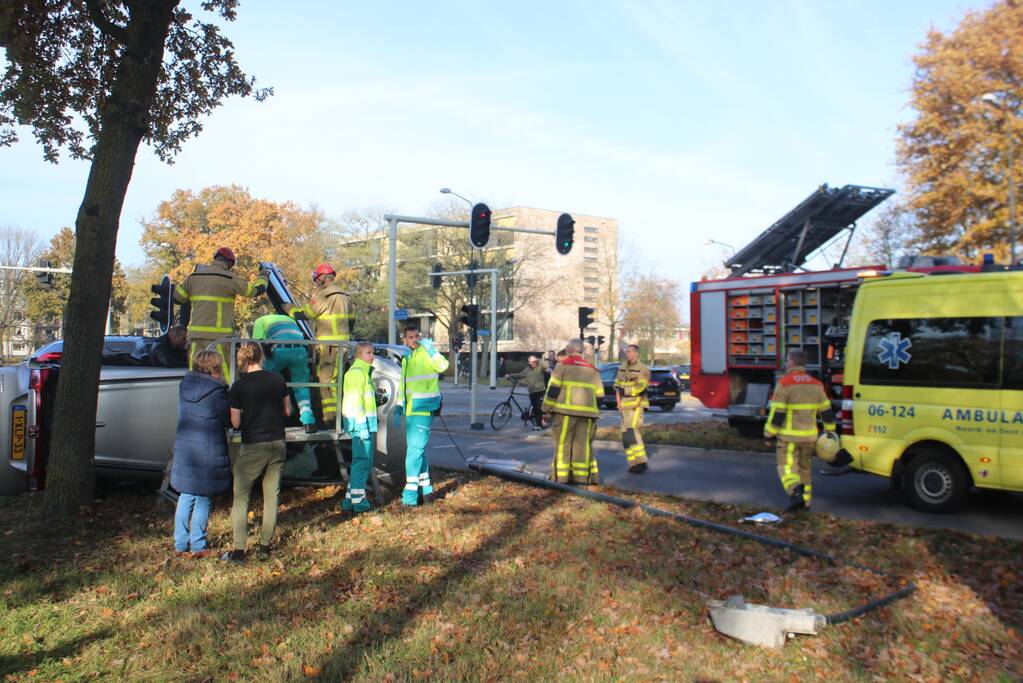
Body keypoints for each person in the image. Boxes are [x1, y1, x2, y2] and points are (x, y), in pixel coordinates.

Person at [222, 343, 291, 563]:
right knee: (272, 496)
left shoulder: (238, 386)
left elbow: (235, 421)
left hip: (253, 444)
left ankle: (239, 550)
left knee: (241, 497)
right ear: (261, 356)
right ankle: (264, 546)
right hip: (277, 442)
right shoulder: (277, 379)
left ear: (242, 359)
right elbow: (287, 410)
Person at [170, 349, 231, 558]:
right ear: (215, 368)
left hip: (186, 449)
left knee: (186, 496)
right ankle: (198, 544)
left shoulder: (184, 386)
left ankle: (180, 542)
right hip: (208, 448)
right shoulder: (217, 392)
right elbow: (228, 419)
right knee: (204, 497)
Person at [173, 247, 267, 379]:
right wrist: (263, 276)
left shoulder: (193, 278)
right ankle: (229, 397)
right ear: (229, 264)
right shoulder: (229, 278)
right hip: (219, 337)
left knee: (194, 372)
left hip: (196, 336)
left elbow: (177, 297)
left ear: (215, 258)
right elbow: (254, 291)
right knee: (227, 374)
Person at [764, 348, 837, 512]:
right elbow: (826, 412)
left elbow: (777, 415)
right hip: (810, 438)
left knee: (786, 467)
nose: (786, 363)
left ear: (792, 362)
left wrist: (768, 434)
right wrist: (830, 433)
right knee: (805, 470)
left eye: (787, 360)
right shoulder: (816, 384)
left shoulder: (784, 384)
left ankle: (795, 492)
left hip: (789, 438)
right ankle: (806, 504)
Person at [285, 263, 352, 428]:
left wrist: (288, 309)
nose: (316, 283)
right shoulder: (346, 296)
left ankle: (330, 420)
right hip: (343, 345)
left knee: (324, 383)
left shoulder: (323, 295)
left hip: (328, 346)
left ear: (322, 278)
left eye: (317, 280)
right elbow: (352, 321)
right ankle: (338, 419)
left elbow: (304, 314)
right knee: (336, 382)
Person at [397, 323, 449, 507]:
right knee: (418, 452)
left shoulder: (426, 353)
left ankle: (410, 496)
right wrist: (399, 404)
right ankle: (426, 491)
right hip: (411, 409)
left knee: (414, 452)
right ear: (404, 339)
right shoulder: (408, 357)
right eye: (410, 337)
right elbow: (404, 384)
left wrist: (431, 349)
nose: (413, 340)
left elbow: (443, 365)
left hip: (424, 408)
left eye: (416, 336)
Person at [543, 339, 604, 485]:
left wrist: (546, 409)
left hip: (565, 413)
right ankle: (582, 479)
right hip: (588, 415)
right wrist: (594, 412)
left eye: (566, 347)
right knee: (582, 446)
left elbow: (553, 390)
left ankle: (561, 479)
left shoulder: (562, 366)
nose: (565, 348)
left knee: (563, 445)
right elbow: (600, 395)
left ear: (570, 349)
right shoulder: (593, 369)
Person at [251, 313, 316, 433]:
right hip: (300, 351)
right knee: (301, 387)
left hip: (279, 350)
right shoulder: (289, 320)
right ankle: (308, 422)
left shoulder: (259, 320)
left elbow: (256, 345)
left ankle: (265, 420)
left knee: (264, 381)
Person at [341, 342, 378, 512]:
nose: (372, 356)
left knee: (360, 462)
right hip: (360, 424)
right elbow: (355, 401)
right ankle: (359, 502)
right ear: (359, 355)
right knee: (362, 462)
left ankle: (350, 500)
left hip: (361, 423)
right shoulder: (358, 373)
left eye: (373, 353)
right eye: (368, 353)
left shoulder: (361, 372)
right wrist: (362, 425)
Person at [614, 344, 651, 474]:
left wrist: (626, 390)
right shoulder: (622, 367)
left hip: (636, 405)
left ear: (636, 353)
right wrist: (618, 401)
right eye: (626, 351)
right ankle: (633, 463)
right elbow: (617, 385)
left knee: (632, 433)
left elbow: (641, 387)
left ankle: (641, 461)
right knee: (625, 437)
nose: (627, 354)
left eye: (629, 352)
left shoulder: (643, 369)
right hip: (624, 406)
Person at [507, 355, 547, 429]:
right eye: (532, 362)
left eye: (534, 362)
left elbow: (546, 365)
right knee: (535, 408)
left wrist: (538, 359)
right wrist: (510, 375)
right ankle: (537, 423)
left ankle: (539, 425)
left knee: (538, 408)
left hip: (540, 390)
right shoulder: (527, 369)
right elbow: (519, 375)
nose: (533, 363)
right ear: (529, 362)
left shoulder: (540, 368)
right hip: (532, 391)